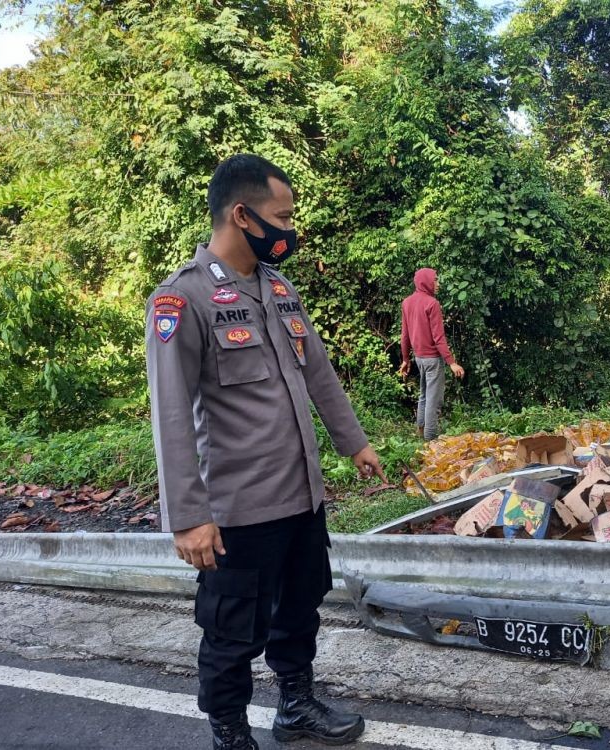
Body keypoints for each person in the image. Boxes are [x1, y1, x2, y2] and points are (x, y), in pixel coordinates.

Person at [145, 154, 386, 750]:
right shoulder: (183, 299)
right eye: (283, 217)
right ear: (241, 215)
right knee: (232, 630)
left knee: (300, 609)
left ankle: (296, 706)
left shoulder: (279, 289)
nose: (291, 229)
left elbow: (320, 377)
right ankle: (230, 732)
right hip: (239, 508)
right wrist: (189, 516)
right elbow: (170, 411)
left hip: (301, 494)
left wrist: (354, 443)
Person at [397, 268, 464, 440]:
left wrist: (406, 359)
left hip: (419, 358)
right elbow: (439, 337)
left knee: (424, 396)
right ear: (426, 281)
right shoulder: (432, 304)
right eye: (435, 280)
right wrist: (452, 362)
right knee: (433, 402)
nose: (438, 284)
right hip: (433, 359)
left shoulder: (407, 302)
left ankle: (420, 435)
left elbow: (404, 335)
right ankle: (430, 442)